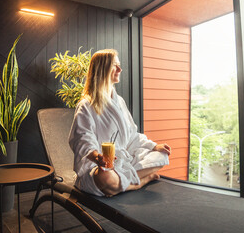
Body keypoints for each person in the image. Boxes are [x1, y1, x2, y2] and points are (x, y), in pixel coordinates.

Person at [69, 49, 171, 197]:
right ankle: (139, 183)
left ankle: (118, 185)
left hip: (123, 161)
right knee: (105, 177)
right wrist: (98, 157)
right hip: (99, 166)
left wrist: (154, 146)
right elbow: (82, 138)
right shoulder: (86, 105)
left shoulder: (120, 102)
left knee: (161, 156)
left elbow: (132, 135)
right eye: (115, 65)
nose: (120, 69)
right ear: (102, 69)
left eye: (119, 65)